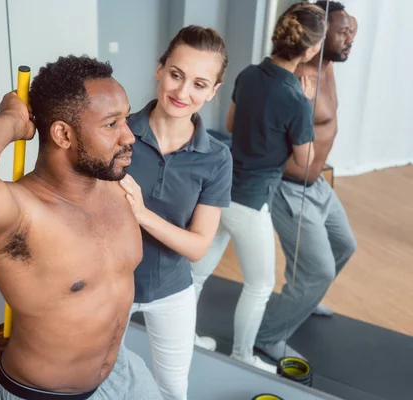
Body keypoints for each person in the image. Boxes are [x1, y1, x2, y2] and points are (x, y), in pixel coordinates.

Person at [0, 55, 162, 400]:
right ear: (63, 134)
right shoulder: (19, 214)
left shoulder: (116, 186)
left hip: (121, 373)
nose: (129, 135)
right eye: (111, 124)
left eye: (125, 118)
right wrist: (13, 121)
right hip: (44, 393)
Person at [190, 3, 325, 373]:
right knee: (260, 285)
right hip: (250, 202)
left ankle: (185, 337)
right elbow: (306, 160)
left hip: (219, 190)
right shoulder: (297, 100)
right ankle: (242, 356)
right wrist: (305, 106)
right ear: (311, 50)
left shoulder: (248, 74)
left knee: (197, 274)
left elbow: (232, 124)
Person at [119, 25, 233, 400]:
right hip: (111, 283)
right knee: (99, 380)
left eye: (199, 84)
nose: (182, 92)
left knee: (172, 391)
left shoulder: (216, 158)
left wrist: (142, 213)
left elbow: (199, 246)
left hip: (172, 289)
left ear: (214, 92)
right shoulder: (116, 134)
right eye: (176, 75)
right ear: (160, 69)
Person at [255, 1, 358, 362]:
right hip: (290, 189)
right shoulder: (297, 73)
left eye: (353, 32)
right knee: (318, 271)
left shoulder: (328, 65)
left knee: (344, 245)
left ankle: (305, 295)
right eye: (343, 32)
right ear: (318, 35)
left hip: (317, 186)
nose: (350, 39)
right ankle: (267, 336)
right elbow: (250, 130)